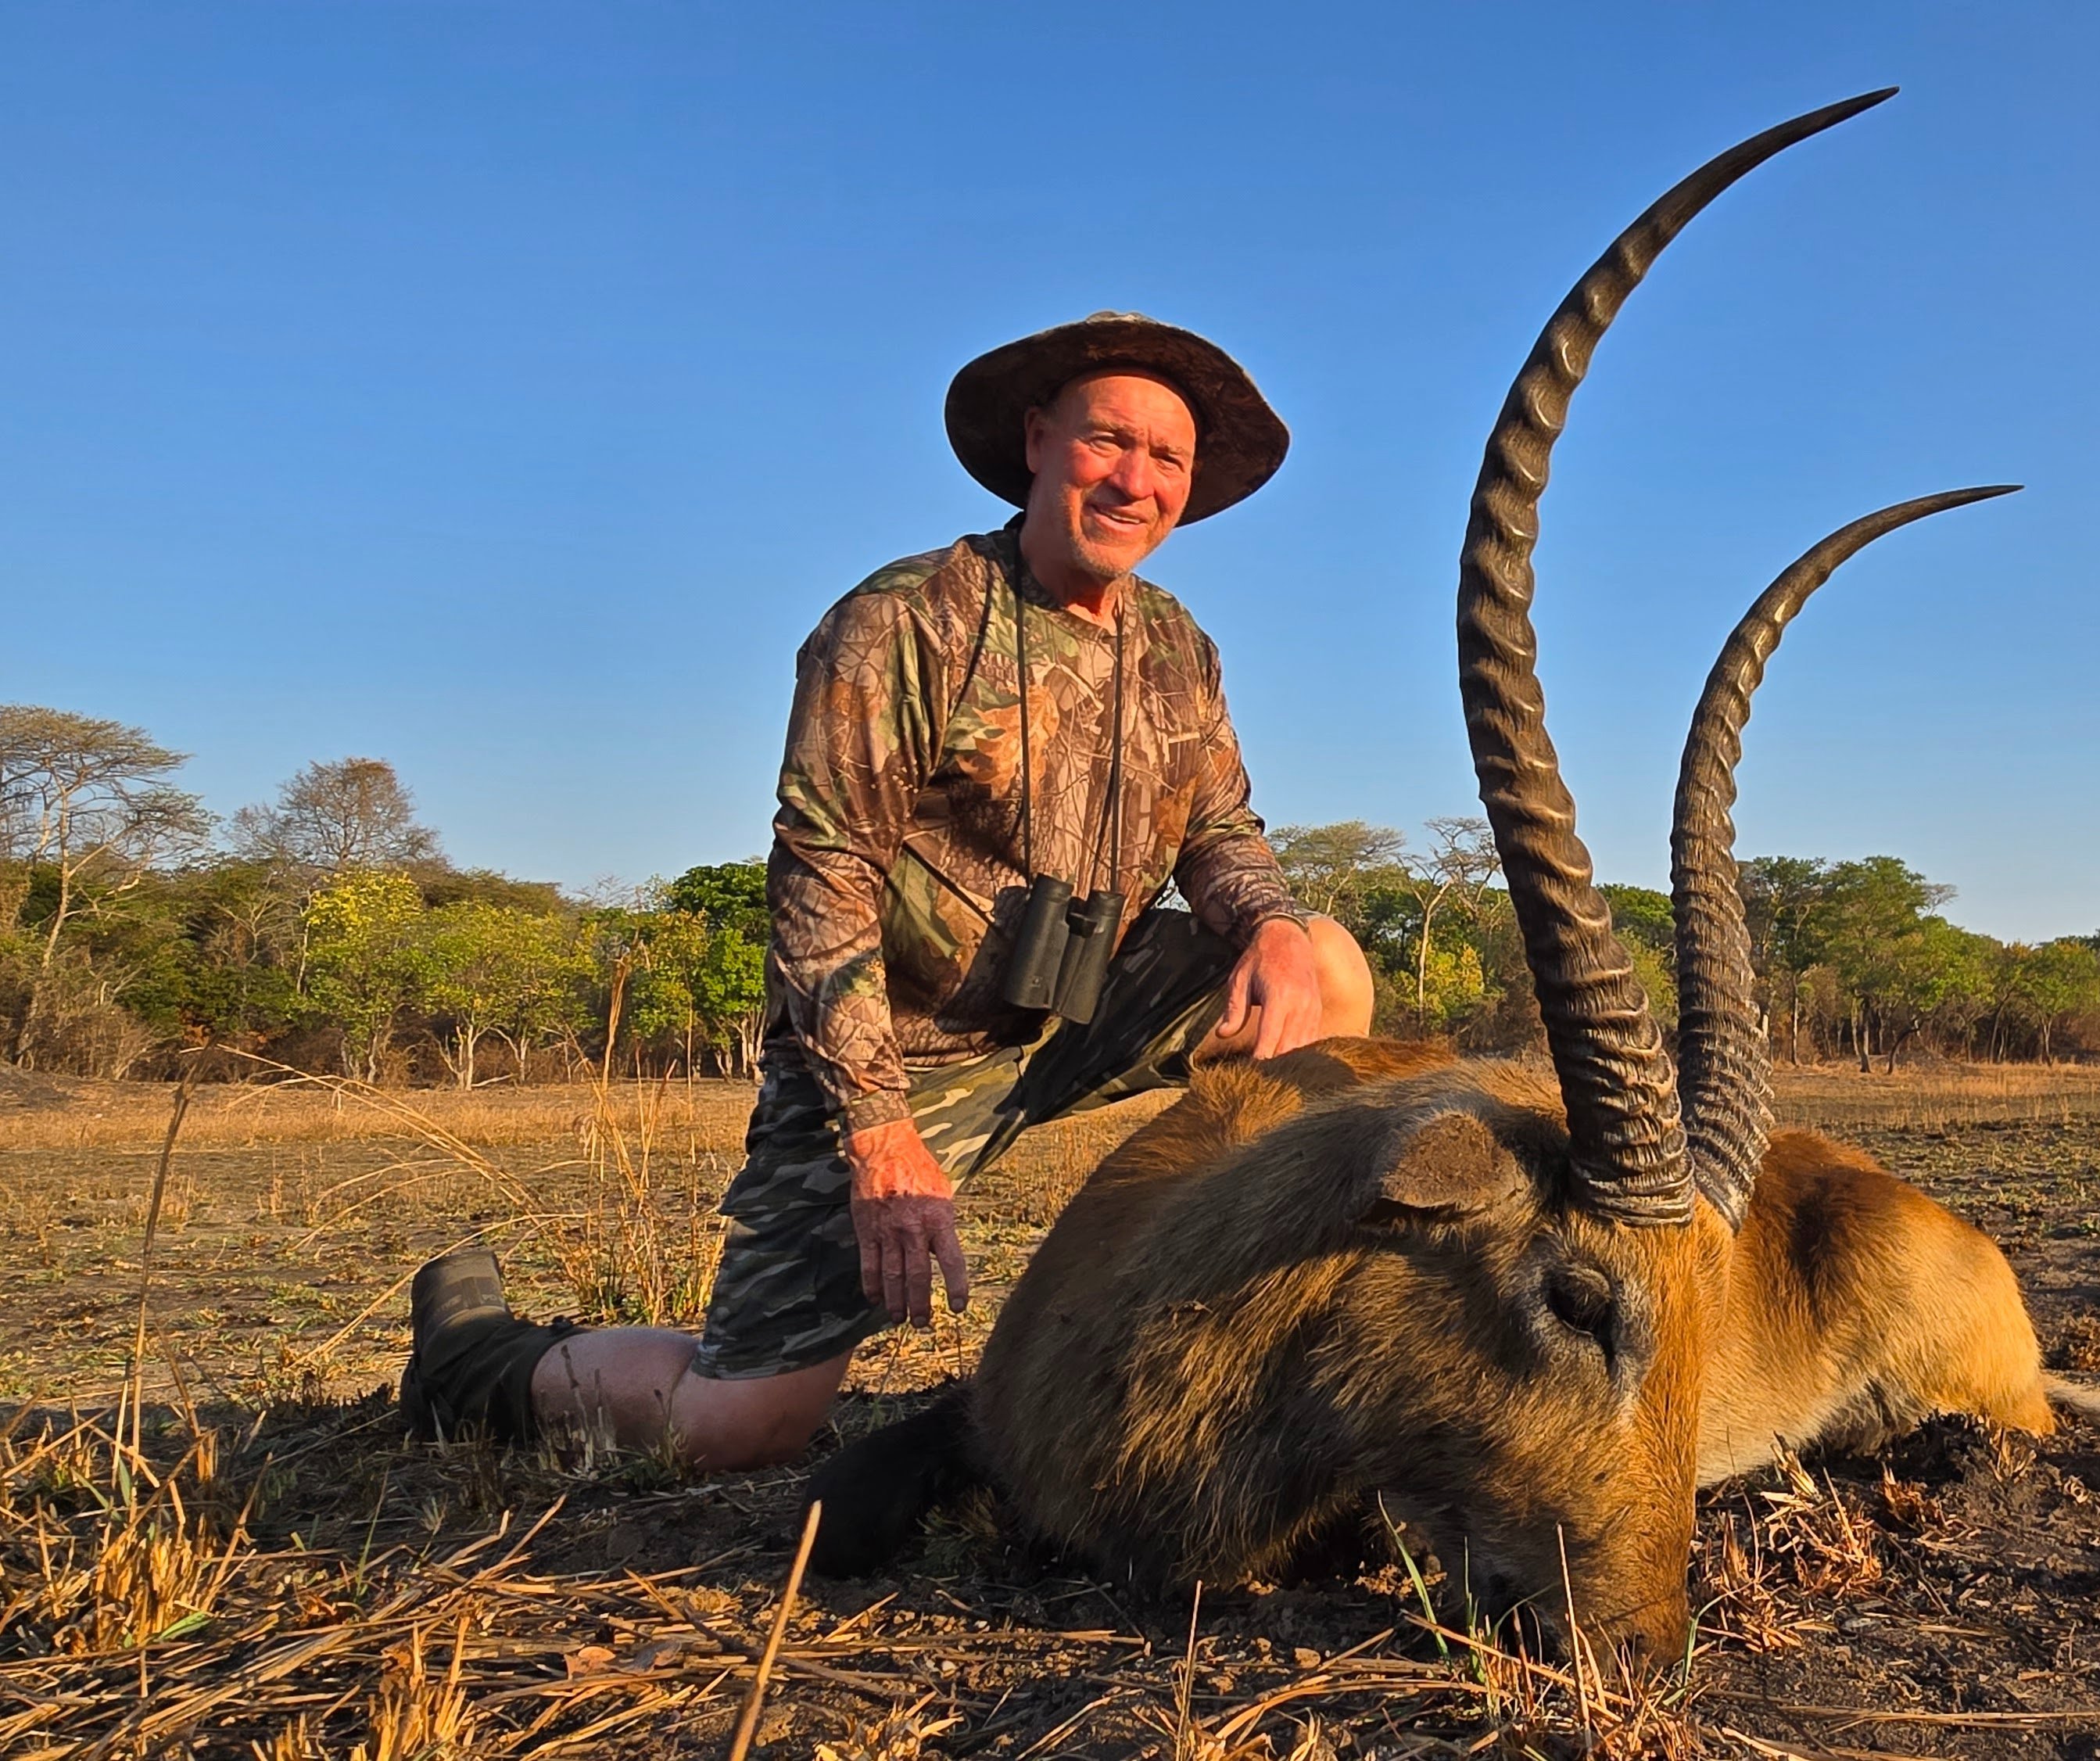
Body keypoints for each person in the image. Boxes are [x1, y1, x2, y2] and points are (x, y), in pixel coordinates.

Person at [396, 314, 1374, 1469]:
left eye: (1166, 458)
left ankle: (1235, 1341)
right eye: (1109, 441)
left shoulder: (1177, 645)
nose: (1137, 479)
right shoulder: (903, 619)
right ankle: (470, 1355)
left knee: (1327, 965)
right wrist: (878, 1135)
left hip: (1081, 1005)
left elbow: (1220, 831)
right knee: (740, 1429)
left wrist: (1271, 919)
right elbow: (823, 878)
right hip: (901, 1053)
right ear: (1037, 442)